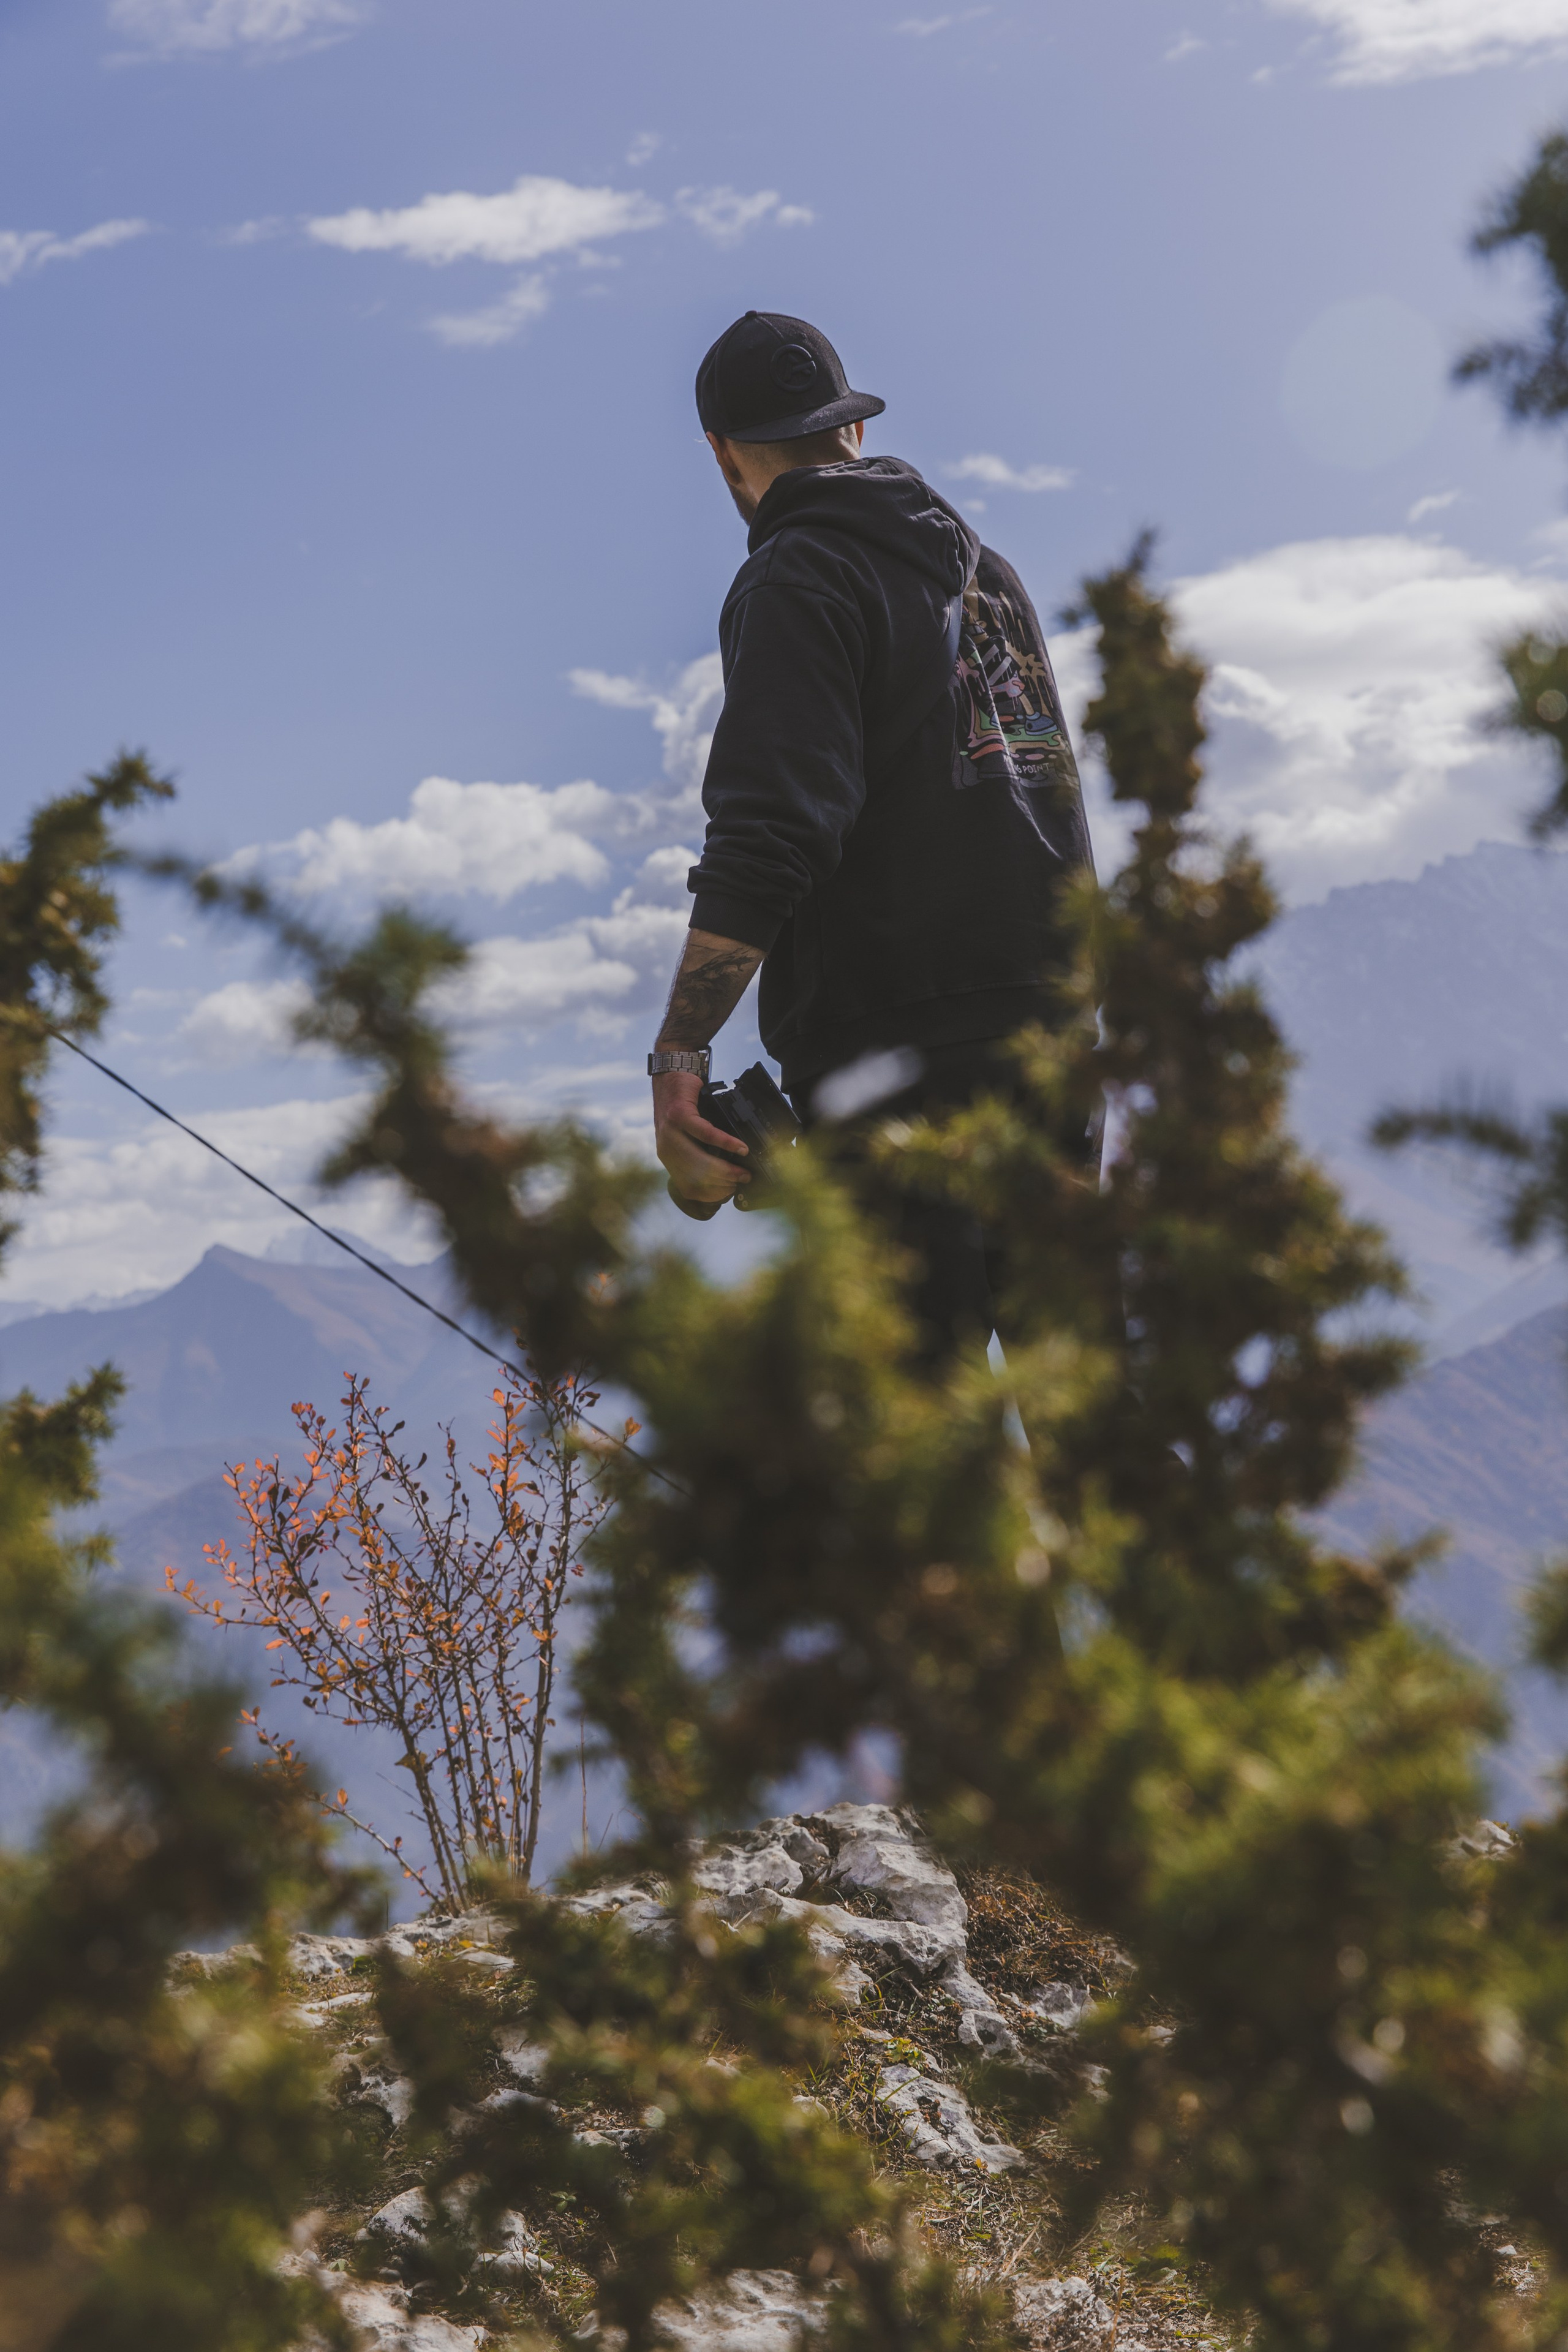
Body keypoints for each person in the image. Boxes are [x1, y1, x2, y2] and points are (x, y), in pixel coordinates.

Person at [649, 309, 1095, 1362]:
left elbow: (768, 835)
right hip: (1055, 1046)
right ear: (850, 427)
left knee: (916, 1456)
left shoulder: (798, 576)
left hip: (895, 1066)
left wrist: (679, 1057)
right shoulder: (990, 579)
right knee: (1090, 1429)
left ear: (723, 457)